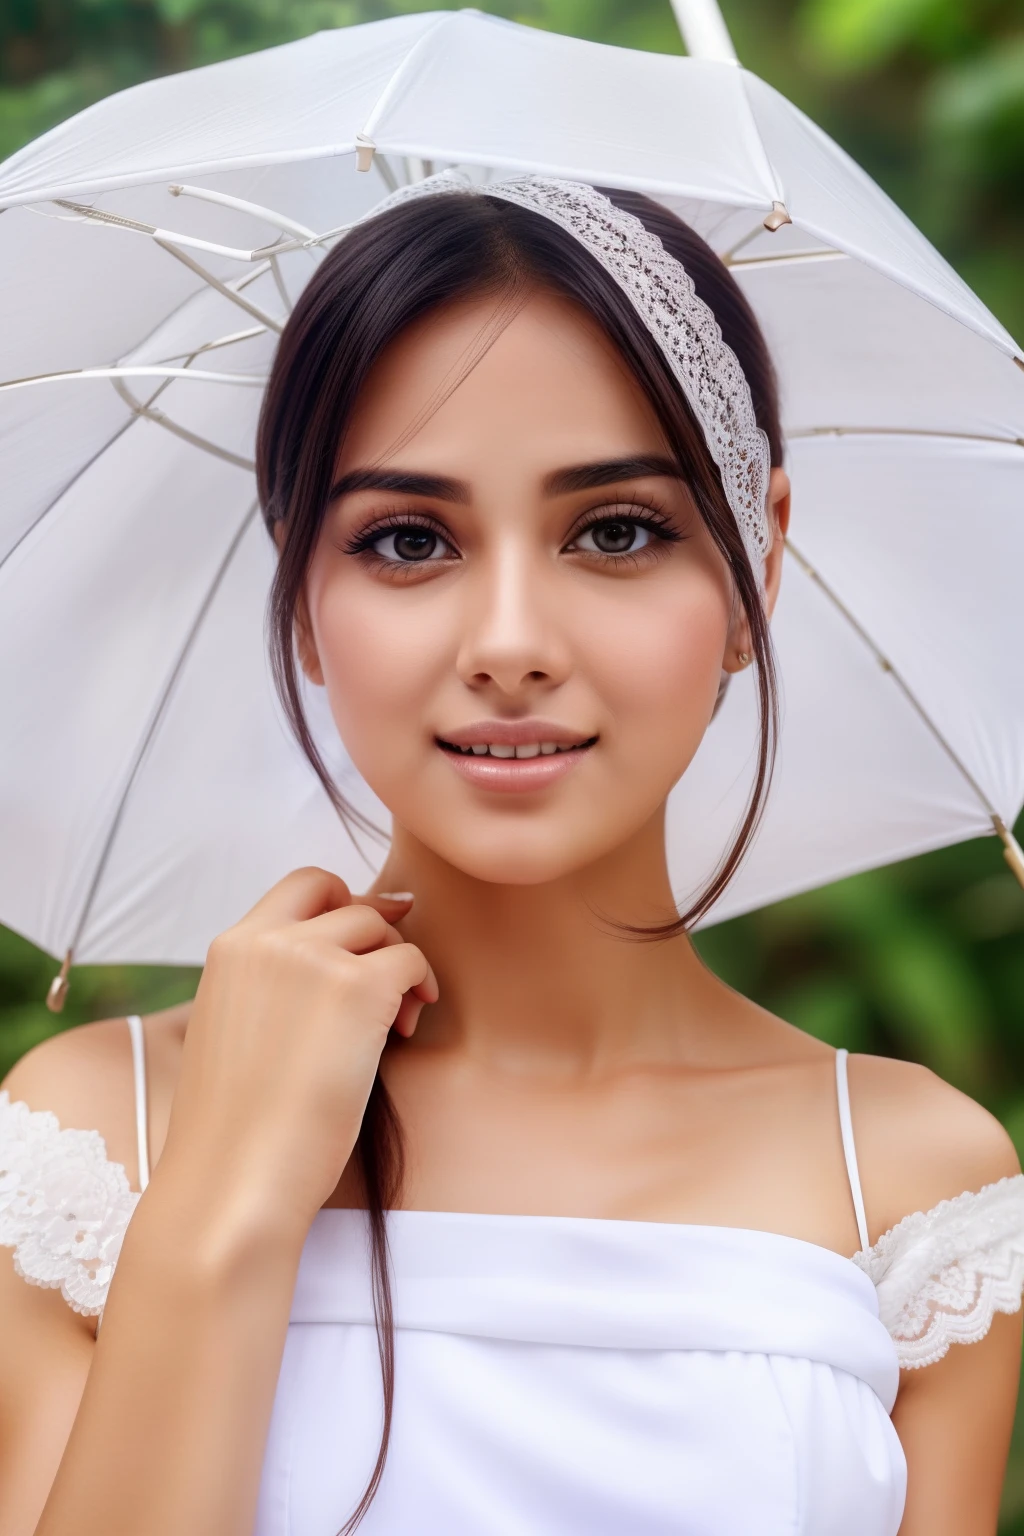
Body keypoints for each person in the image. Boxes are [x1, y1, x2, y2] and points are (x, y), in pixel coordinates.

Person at [1, 173, 1022, 1536]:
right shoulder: (96, 1135)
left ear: (753, 568)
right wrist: (228, 1200)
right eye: (408, 541)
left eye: (616, 531)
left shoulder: (910, 1183)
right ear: (302, 594)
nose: (509, 641)